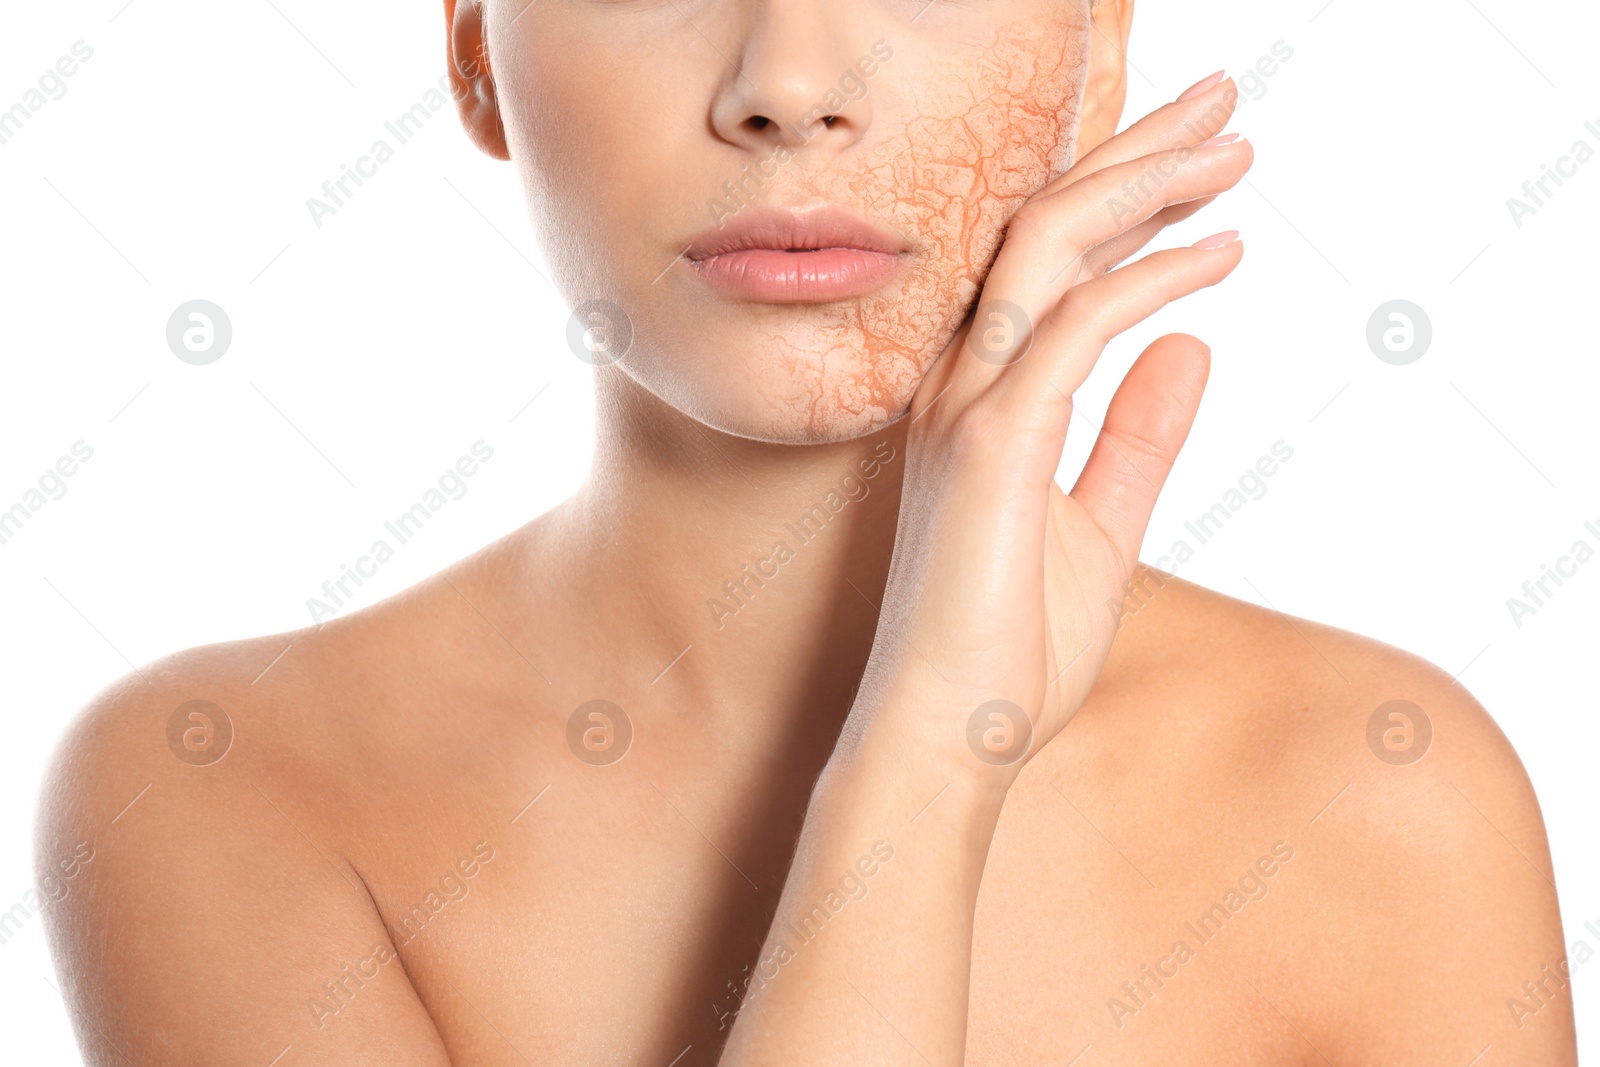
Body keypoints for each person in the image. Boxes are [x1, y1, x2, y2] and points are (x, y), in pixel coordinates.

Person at [37, 1, 1575, 1063]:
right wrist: (929, 749)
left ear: (1094, 49)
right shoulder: (220, 789)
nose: (788, 77)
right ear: (474, 53)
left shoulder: (1381, 797)